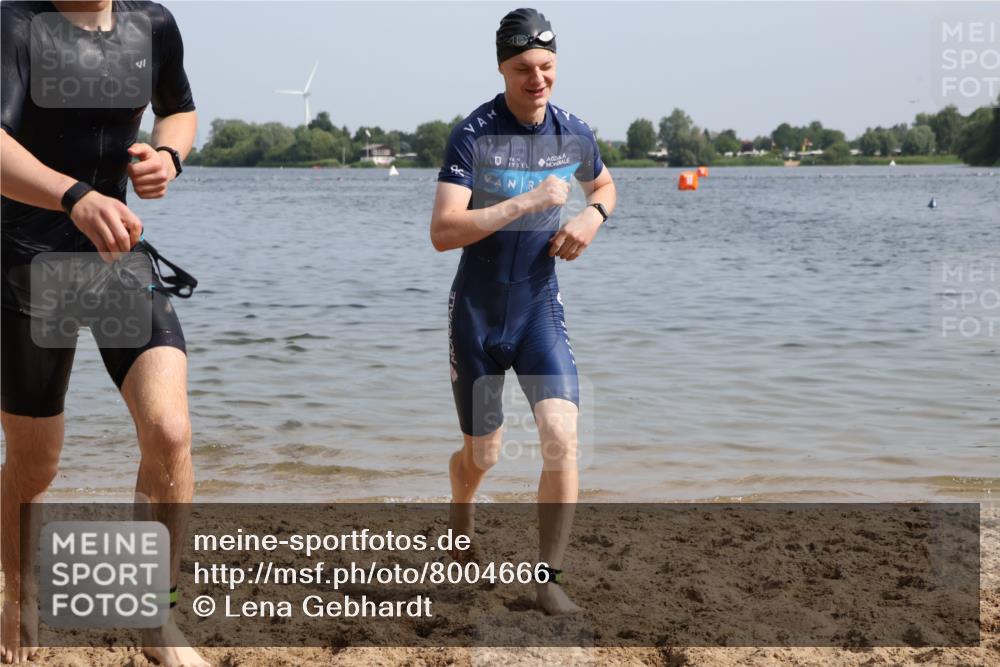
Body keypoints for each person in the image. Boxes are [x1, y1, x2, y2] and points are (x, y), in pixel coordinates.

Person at [0, 2, 206, 665]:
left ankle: (157, 618)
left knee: (169, 431)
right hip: (27, 262)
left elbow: (179, 105)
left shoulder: (153, 24)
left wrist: (168, 154)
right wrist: (73, 196)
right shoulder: (14, 23)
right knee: (35, 466)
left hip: (117, 257)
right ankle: (17, 588)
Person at [431, 8, 616, 614]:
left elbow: (606, 185)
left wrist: (592, 216)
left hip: (539, 313)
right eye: (522, 70)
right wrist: (527, 202)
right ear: (501, 69)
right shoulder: (475, 135)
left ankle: (548, 580)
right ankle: (462, 508)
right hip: (478, 319)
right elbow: (443, 230)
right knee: (482, 454)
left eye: (546, 68)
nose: (536, 80)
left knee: (562, 439)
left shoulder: (575, 133)